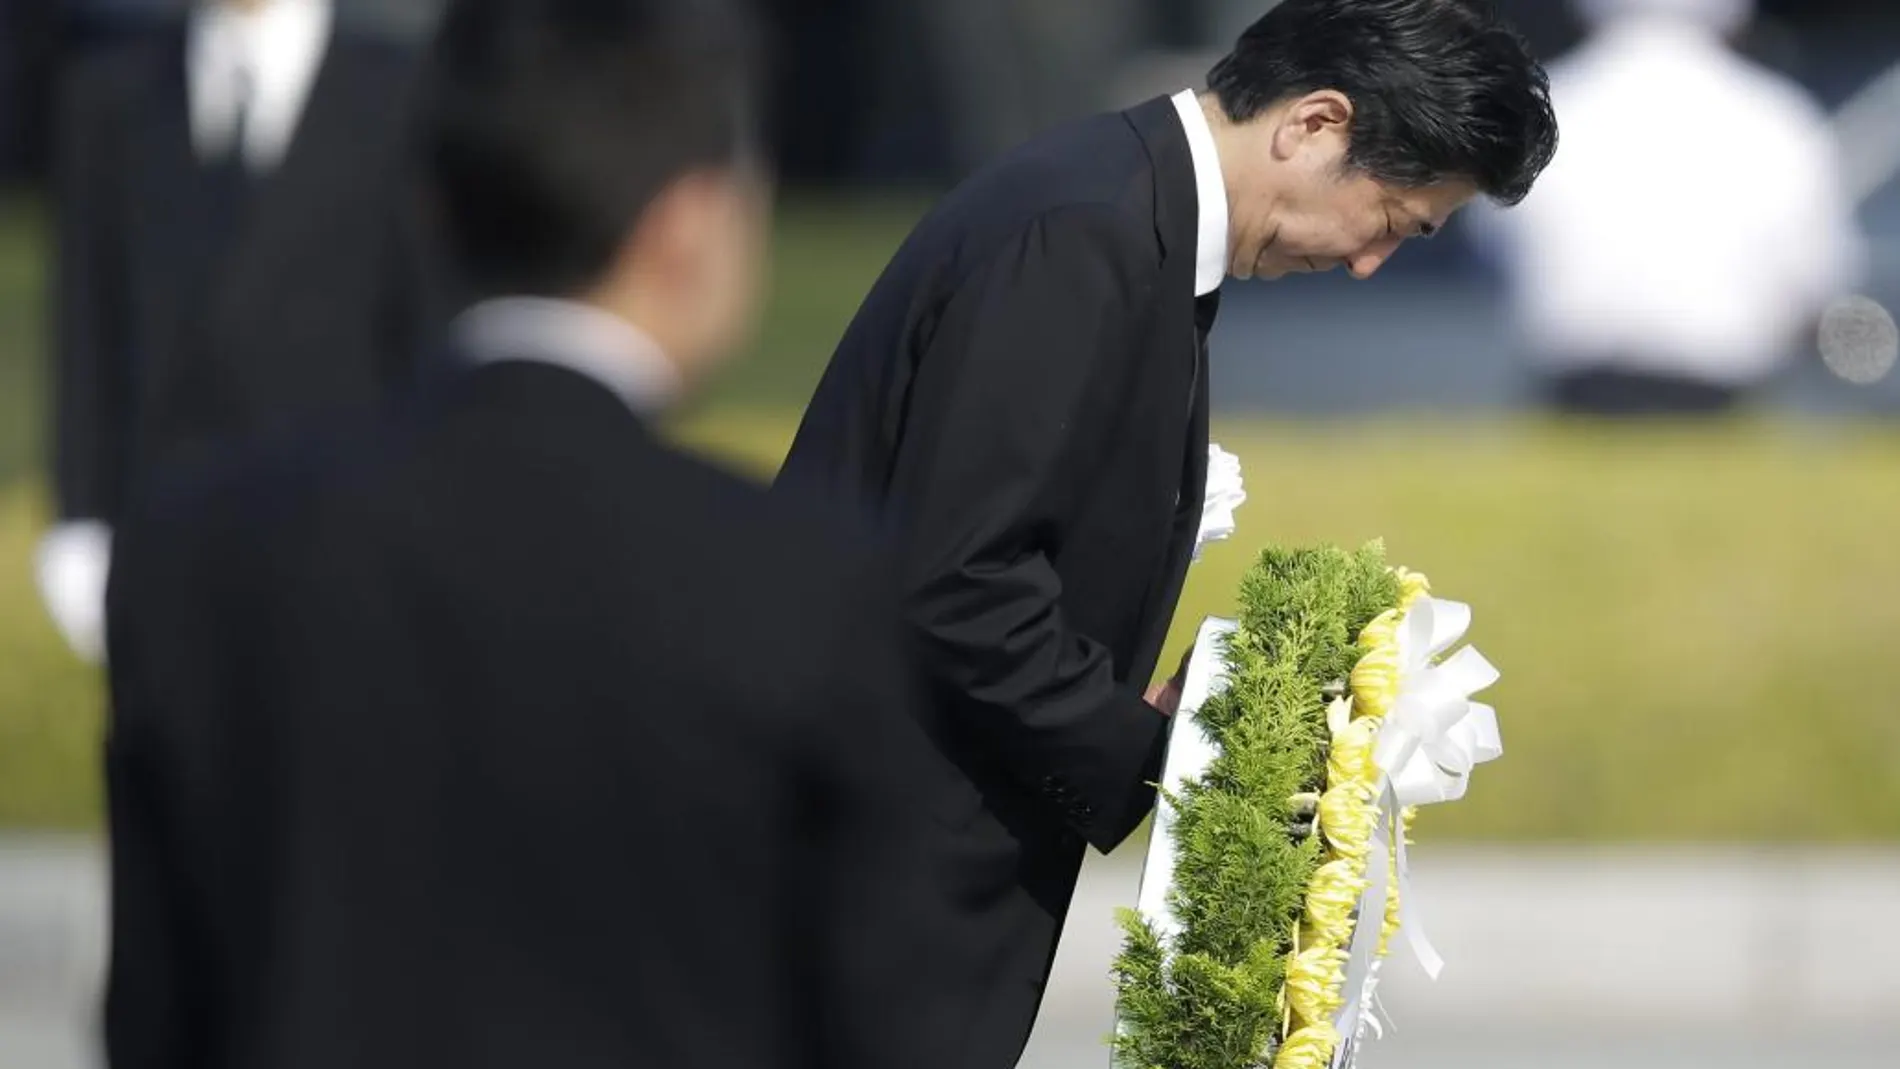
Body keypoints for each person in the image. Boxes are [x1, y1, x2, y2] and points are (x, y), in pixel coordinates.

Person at [102, 2, 942, 1068]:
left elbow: (153, 1022)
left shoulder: (197, 553)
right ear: (688, 221)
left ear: (432, 205)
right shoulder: (808, 586)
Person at [774, 1, 1557, 1065]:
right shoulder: (1082, 232)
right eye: (1391, 219)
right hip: (862, 865)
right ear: (1315, 124)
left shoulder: (1126, 213)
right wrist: (1160, 755)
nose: (1371, 262)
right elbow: (955, 577)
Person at [38, 0, 440, 665]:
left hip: (350, 553)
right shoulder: (107, 98)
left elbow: (429, 330)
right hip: (165, 550)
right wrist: (79, 526)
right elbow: (86, 331)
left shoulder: (407, 95)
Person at [1467, 0, 1865, 416]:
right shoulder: (1779, 117)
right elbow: (1816, 279)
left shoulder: (1547, 105)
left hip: (1576, 394)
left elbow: (1491, 242)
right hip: (1722, 398)